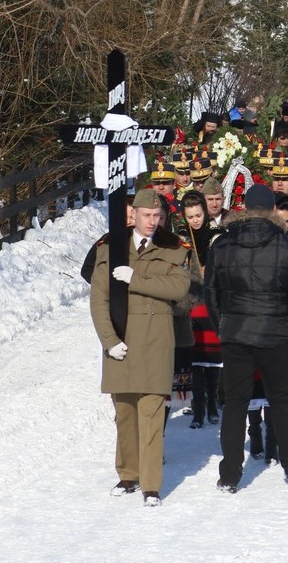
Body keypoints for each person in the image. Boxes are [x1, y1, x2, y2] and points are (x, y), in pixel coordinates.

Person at [204, 183, 288, 491]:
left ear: (243, 208)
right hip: (275, 333)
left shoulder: (222, 245)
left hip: (236, 334)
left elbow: (209, 293)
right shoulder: (287, 244)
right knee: (282, 400)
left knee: (236, 403)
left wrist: (222, 325)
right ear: (270, 210)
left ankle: (229, 474)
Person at [89, 188, 191, 506]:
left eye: (157, 216)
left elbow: (179, 287)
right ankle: (128, 475)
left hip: (157, 340)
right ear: (134, 215)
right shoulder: (112, 248)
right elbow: (98, 299)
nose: (152, 221)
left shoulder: (173, 247)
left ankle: (151, 485)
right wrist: (109, 341)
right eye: (147, 215)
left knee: (151, 413)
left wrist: (136, 278)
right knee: (124, 413)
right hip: (122, 338)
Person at [180, 191, 223, 429]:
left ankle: (213, 403)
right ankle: (197, 407)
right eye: (190, 216)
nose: (195, 220)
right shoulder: (182, 238)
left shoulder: (217, 235)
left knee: (212, 359)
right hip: (191, 302)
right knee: (196, 361)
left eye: (198, 215)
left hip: (212, 303)